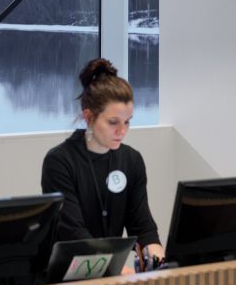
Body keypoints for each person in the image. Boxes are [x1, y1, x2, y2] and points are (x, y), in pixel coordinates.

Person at [41, 57, 165, 263]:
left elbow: (142, 227)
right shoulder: (60, 161)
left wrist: (158, 260)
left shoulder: (131, 160)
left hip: (108, 274)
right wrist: (113, 268)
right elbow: (73, 233)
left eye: (127, 122)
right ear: (88, 117)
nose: (122, 131)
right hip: (68, 278)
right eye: (113, 122)